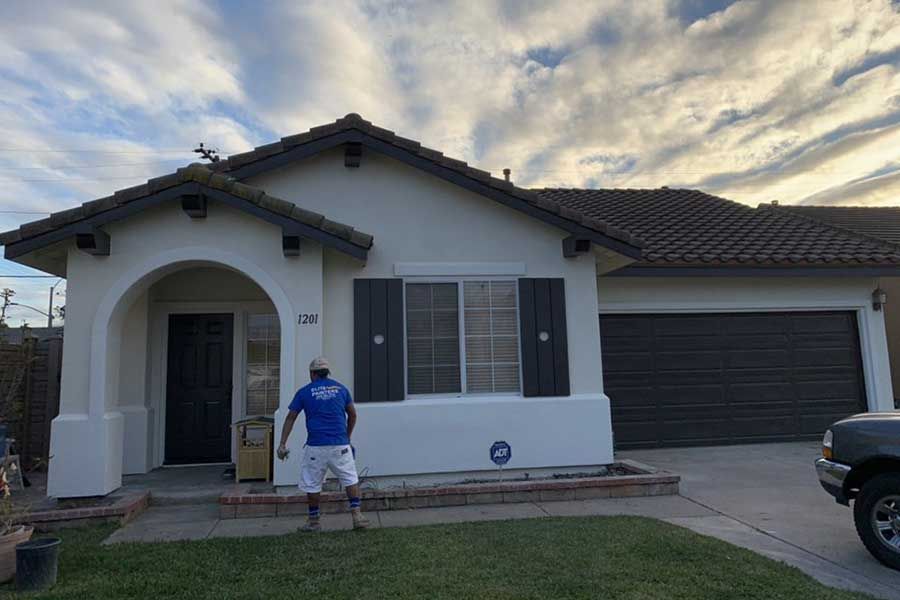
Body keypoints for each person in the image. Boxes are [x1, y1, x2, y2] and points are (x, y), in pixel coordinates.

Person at [277, 357, 370, 532]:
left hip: (316, 446)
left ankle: (314, 522)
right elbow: (353, 415)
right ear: (327, 373)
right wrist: (347, 437)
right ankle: (357, 516)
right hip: (340, 444)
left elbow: (291, 417)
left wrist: (282, 443)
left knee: (312, 483)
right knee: (350, 478)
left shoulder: (304, 392)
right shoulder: (341, 389)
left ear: (312, 374)